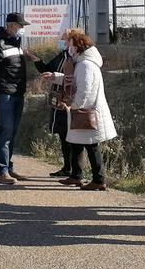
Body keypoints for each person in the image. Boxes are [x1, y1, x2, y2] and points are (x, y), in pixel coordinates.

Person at [43, 29, 116, 191]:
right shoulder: (82, 62)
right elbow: (73, 80)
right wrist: (55, 76)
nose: (68, 47)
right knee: (76, 142)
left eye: (70, 44)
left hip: (86, 112)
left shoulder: (85, 65)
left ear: (77, 46)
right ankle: (76, 176)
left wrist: (73, 106)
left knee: (91, 146)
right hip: (83, 110)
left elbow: (84, 90)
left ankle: (99, 179)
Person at [0, 12, 39, 185]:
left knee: (12, 131)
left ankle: (9, 167)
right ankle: (1, 171)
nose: (21, 29)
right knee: (5, 130)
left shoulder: (17, 44)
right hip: (5, 93)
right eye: (20, 26)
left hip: (17, 92)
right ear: (11, 25)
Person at [35, 41, 74, 178]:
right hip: (59, 100)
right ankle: (67, 168)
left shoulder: (77, 59)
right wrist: (37, 60)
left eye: (66, 39)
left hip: (69, 100)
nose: (63, 42)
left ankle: (75, 171)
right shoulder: (62, 55)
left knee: (72, 136)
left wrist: (56, 78)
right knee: (63, 134)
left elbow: (74, 79)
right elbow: (47, 69)